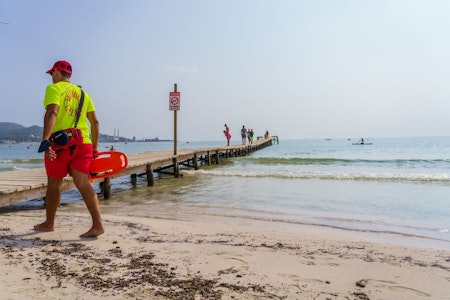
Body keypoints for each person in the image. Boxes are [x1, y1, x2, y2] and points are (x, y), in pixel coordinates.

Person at [34, 60, 104, 238]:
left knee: (54, 184)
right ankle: (97, 225)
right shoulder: (83, 94)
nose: (51, 77)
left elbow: (52, 112)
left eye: (52, 73)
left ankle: (49, 223)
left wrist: (45, 140)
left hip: (61, 145)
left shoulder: (55, 89)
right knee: (83, 183)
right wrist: (94, 147)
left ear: (57, 72)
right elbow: (95, 123)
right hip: (84, 143)